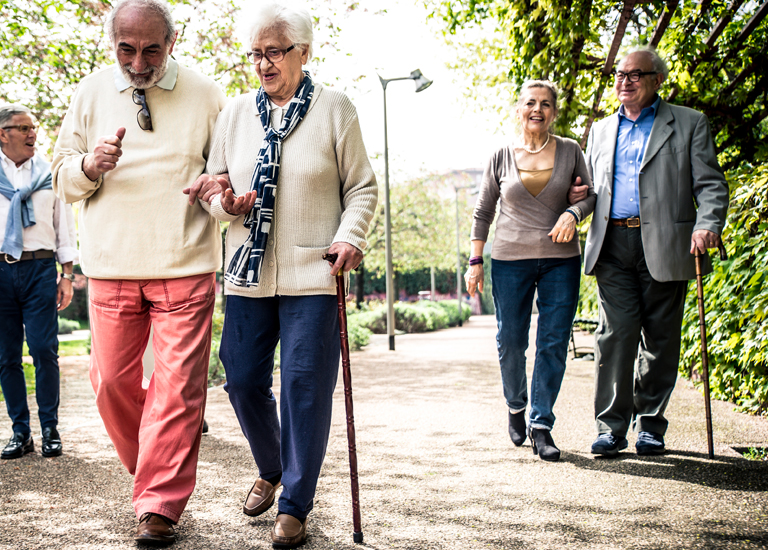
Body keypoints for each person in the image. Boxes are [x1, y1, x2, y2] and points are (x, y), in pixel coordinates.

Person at [184, 2, 377, 546]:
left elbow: (361, 187)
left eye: (275, 52)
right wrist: (226, 202)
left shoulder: (336, 110)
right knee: (241, 377)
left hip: (313, 272)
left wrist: (350, 236)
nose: (264, 64)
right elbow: (215, 191)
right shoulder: (236, 115)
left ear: (304, 53)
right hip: (249, 271)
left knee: (303, 386)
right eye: (257, 54)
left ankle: (294, 501)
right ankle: (271, 466)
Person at [51, 0, 226, 544]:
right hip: (111, 265)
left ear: (172, 42)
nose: (139, 60)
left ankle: (159, 504)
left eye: (152, 49)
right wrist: (88, 166)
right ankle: (154, 470)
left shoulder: (207, 95)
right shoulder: (90, 92)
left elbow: (224, 176)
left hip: (184, 262)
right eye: (127, 48)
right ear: (114, 44)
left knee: (178, 391)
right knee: (109, 384)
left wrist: (217, 190)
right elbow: (60, 176)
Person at [571, 47, 729, 457]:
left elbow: (710, 184)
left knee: (660, 339)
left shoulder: (689, 123)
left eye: (635, 74)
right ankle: (610, 427)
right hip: (612, 244)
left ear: (657, 80)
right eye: (620, 75)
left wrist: (707, 223)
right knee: (616, 335)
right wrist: (576, 201)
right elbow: (592, 188)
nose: (624, 81)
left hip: (667, 243)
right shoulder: (602, 130)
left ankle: (651, 426)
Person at [466, 80, 596, 462]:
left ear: (555, 112)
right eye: (530, 103)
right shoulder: (502, 155)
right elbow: (483, 211)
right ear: (519, 109)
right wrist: (475, 261)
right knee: (511, 341)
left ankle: (541, 425)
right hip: (509, 258)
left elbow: (589, 194)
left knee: (553, 341)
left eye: (545, 104)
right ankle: (516, 405)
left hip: (561, 259)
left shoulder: (571, 150)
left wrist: (573, 212)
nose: (537, 109)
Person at [0, 104, 78, 460]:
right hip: (1, 271)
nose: (33, 133)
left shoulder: (49, 172)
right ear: (3, 134)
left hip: (40, 268)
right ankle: (20, 431)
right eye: (23, 128)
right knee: (6, 357)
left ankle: (50, 428)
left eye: (33, 127)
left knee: (45, 350)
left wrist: (67, 274)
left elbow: (65, 226)